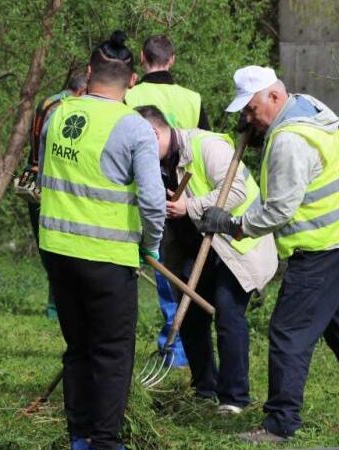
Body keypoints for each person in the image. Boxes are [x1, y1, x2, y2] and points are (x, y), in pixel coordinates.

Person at [199, 66, 339, 443]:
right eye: (245, 114)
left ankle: (279, 423)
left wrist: (233, 225)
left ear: (273, 97)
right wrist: (263, 136)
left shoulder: (289, 141)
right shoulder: (307, 108)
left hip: (321, 249)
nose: (248, 118)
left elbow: (279, 210)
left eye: (252, 110)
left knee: (288, 333)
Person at [37, 31, 165, 450]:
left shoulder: (58, 113)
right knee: (112, 352)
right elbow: (152, 200)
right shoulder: (134, 128)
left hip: (56, 250)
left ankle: (79, 436)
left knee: (77, 347)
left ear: (89, 73)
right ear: (132, 81)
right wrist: (152, 245)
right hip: (107, 257)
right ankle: (104, 442)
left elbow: (44, 178)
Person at [135, 105, 277, 413]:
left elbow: (236, 190)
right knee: (190, 317)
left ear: (155, 133)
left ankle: (234, 398)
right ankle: (204, 388)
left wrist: (191, 207)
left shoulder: (206, 146)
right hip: (191, 248)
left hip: (233, 244)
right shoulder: (152, 163)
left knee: (228, 314)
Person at [125, 34, 210, 366]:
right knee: (184, 271)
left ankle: (174, 348)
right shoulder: (192, 98)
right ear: (172, 59)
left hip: (147, 193)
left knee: (163, 269)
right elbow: (203, 140)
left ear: (143, 59)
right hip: (186, 195)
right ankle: (183, 346)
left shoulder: (130, 96)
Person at [24, 68, 88, 320]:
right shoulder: (69, 110)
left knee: (48, 244)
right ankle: (58, 306)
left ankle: (57, 306)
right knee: (62, 247)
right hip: (56, 185)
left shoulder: (47, 102)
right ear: (83, 90)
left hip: (36, 180)